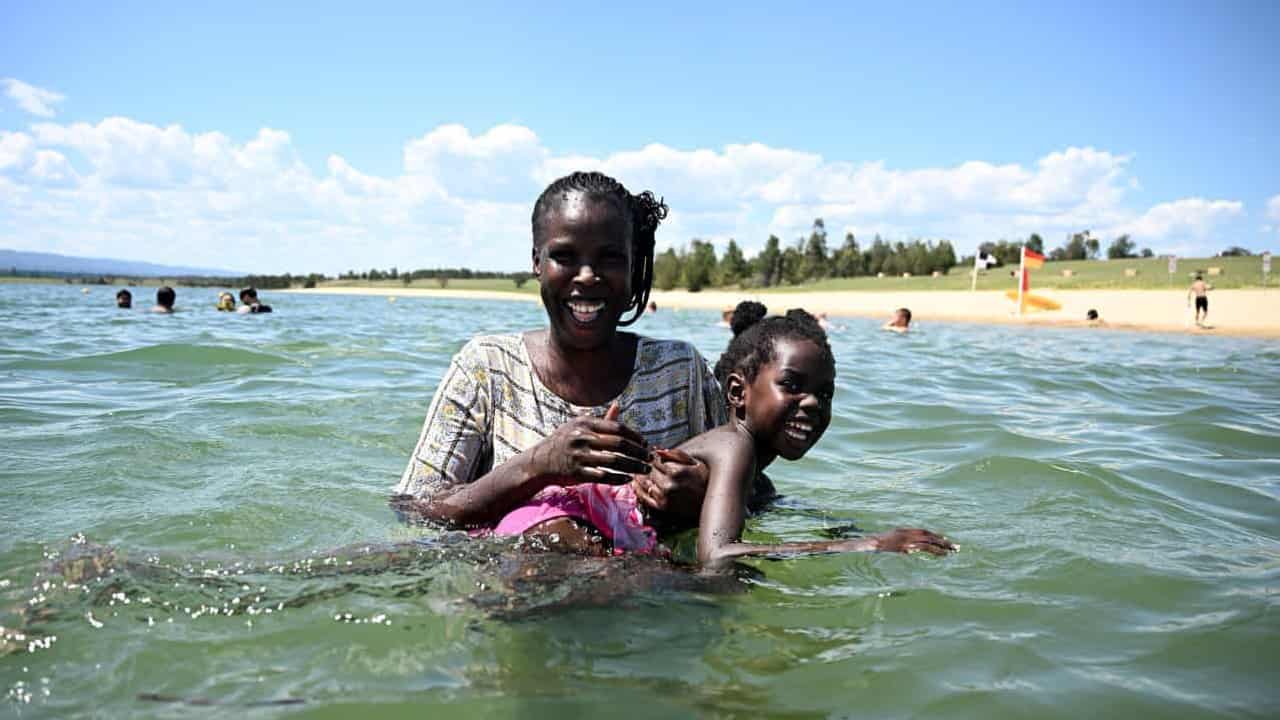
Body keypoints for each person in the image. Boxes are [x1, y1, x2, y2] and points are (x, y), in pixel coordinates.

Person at [393, 171, 768, 533]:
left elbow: (745, 492)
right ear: (537, 262)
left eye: (609, 258)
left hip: (648, 590)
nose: (587, 276)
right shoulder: (486, 368)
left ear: (634, 264)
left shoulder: (680, 371)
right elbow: (413, 509)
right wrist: (541, 463)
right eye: (565, 256)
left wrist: (699, 496)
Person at [492, 302, 956, 565]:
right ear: (737, 391)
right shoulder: (734, 446)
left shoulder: (755, 477)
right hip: (556, 529)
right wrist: (869, 545)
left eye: (825, 394)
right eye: (792, 386)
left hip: (561, 528)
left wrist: (849, 530)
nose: (813, 404)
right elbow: (721, 554)